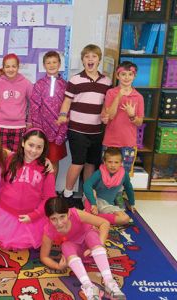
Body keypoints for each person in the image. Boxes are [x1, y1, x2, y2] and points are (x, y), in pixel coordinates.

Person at [0, 128, 56, 250]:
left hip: (30, 217)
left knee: (20, 245)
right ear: (23, 143)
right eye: (30, 145)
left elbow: (49, 198)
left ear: (44, 149)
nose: (33, 150)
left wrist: (34, 215)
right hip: (4, 214)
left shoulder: (46, 169)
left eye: (39, 147)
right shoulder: (9, 159)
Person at [57, 44, 112, 207]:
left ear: (99, 60)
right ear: (82, 60)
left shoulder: (107, 81)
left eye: (94, 56)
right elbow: (67, 101)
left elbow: (106, 104)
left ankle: (87, 195)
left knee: (91, 164)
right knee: (78, 162)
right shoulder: (75, 80)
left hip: (96, 131)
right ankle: (67, 193)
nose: (90, 59)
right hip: (77, 130)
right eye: (87, 56)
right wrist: (62, 115)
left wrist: (106, 115)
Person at [40, 197, 126, 300]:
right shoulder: (48, 230)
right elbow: (44, 257)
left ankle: (109, 282)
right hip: (76, 254)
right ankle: (89, 287)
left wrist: (100, 243)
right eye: (53, 219)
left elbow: (104, 223)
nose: (59, 223)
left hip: (94, 247)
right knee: (65, 245)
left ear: (68, 213)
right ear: (48, 219)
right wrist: (58, 266)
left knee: (91, 234)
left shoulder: (76, 214)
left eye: (62, 217)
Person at [101, 61, 144, 176]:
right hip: (111, 141)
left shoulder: (138, 97)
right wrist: (119, 96)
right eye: (123, 74)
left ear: (134, 76)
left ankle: (119, 194)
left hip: (128, 142)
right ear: (117, 76)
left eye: (130, 74)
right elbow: (110, 115)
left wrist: (131, 115)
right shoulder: (111, 93)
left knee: (124, 175)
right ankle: (107, 194)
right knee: (107, 172)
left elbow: (139, 122)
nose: (126, 77)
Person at [30, 51, 68, 178]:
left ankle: (51, 191)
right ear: (44, 65)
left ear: (59, 64)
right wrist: (38, 130)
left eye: (54, 62)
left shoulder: (65, 85)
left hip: (58, 132)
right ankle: (38, 189)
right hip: (41, 132)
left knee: (54, 162)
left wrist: (62, 133)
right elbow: (34, 108)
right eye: (48, 62)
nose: (51, 65)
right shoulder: (39, 85)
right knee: (38, 161)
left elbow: (67, 110)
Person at [83, 147, 136, 225]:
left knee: (125, 218)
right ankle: (90, 217)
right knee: (92, 191)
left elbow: (129, 188)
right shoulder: (99, 173)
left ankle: (91, 217)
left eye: (116, 162)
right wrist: (93, 203)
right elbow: (86, 185)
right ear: (104, 162)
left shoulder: (124, 175)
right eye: (110, 162)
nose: (113, 165)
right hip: (93, 201)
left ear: (121, 163)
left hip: (107, 205)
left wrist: (132, 203)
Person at [0, 53, 33, 152]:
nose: (10, 69)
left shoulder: (26, 83)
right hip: (0, 126)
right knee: (2, 156)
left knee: (17, 157)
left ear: (18, 67)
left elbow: (33, 104)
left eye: (14, 66)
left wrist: (30, 121)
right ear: (3, 67)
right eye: (7, 66)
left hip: (19, 126)